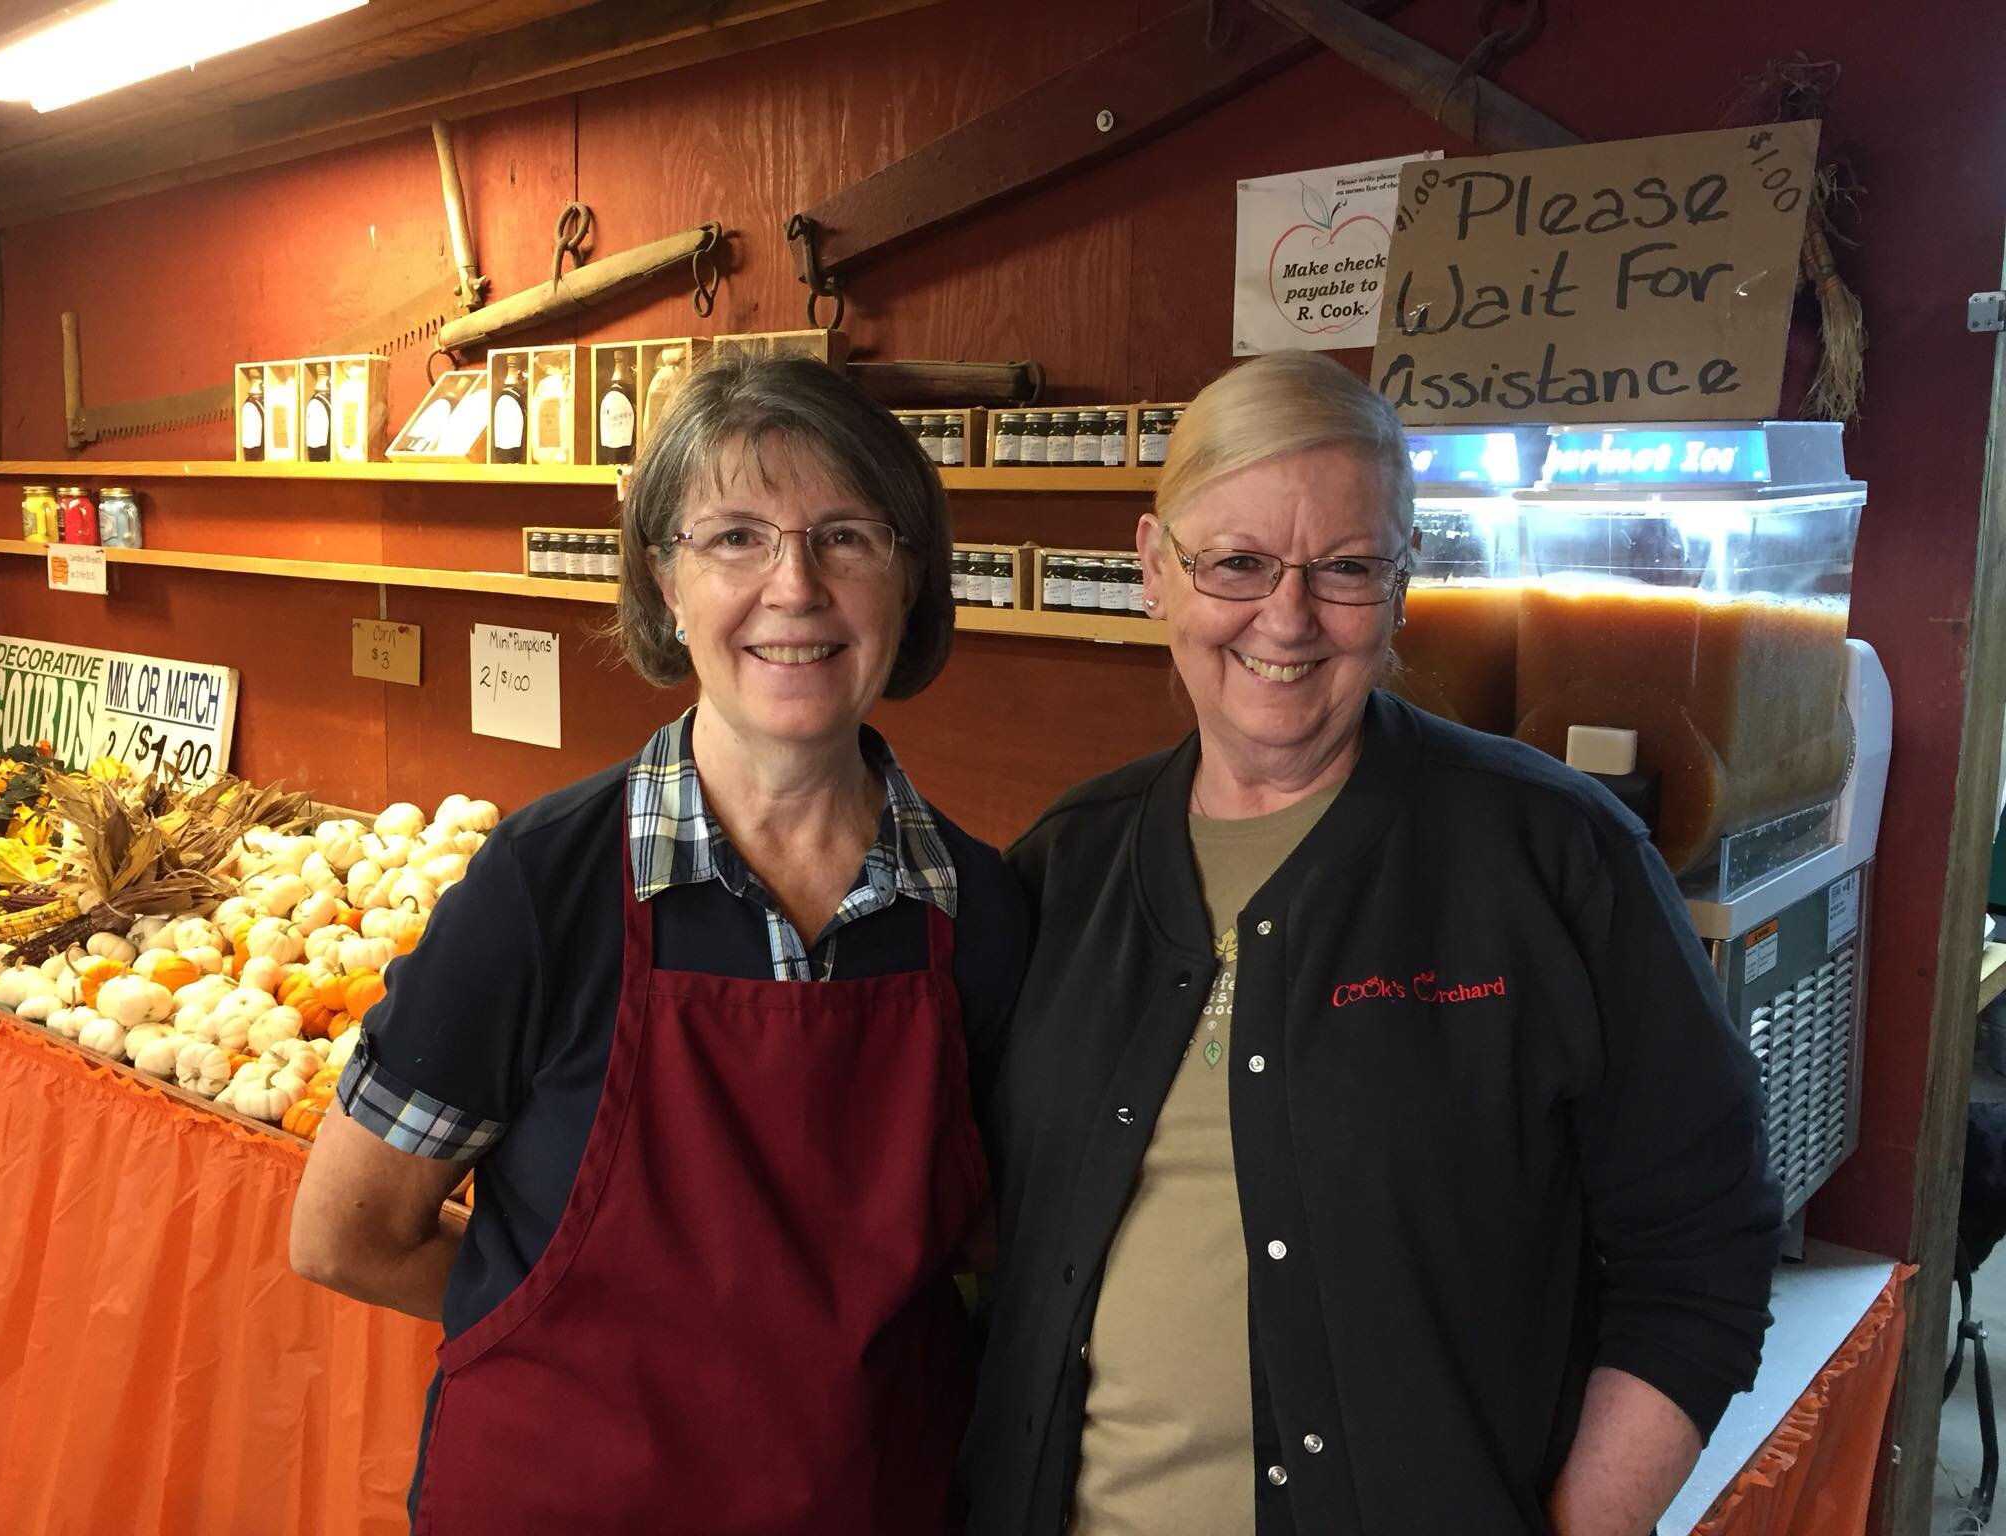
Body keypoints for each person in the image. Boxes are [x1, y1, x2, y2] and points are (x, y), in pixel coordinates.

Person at [962, 351, 1782, 1536]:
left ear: (1403, 584)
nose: (1284, 618)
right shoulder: (1060, 866)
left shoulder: (1553, 859)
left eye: (1343, 568)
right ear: (1154, 572)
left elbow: (1699, 1250)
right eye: (1236, 563)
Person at [290, 353, 1026, 1533]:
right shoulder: (541, 890)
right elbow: (344, 1233)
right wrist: (563, 1324)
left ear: (910, 580)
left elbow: (997, 1242)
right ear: (663, 582)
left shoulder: (980, 915)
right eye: (734, 536)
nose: (794, 587)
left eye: (846, 536)